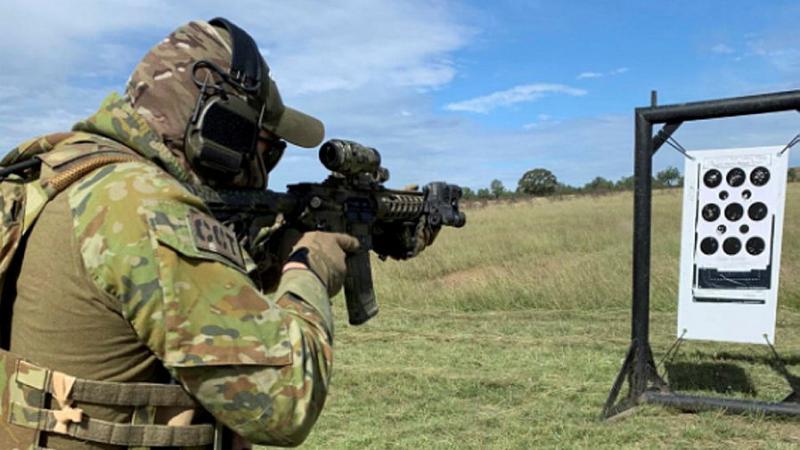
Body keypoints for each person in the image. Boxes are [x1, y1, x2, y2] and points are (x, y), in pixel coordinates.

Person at [0, 18, 425, 449]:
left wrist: (271, 256)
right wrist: (308, 269)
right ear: (221, 128)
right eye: (266, 145)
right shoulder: (142, 206)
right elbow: (281, 403)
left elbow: (151, 301)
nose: (266, 165)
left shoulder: (68, 172)